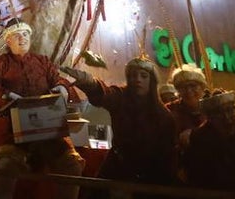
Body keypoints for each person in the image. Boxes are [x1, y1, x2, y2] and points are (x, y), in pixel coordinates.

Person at [0, 20, 83, 199]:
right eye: (16, 35)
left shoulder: (43, 61)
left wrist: (62, 87)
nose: (22, 38)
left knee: (72, 164)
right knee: (6, 169)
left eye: (25, 34)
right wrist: (6, 95)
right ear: (8, 41)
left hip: (49, 132)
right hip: (16, 133)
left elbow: (58, 79)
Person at [60, 54, 177, 196]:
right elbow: (106, 94)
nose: (137, 79)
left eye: (143, 75)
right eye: (133, 75)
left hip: (149, 176)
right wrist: (90, 82)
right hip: (116, 167)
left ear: (152, 81)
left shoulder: (164, 117)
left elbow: (166, 157)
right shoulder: (121, 97)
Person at [166, 64, 207, 142]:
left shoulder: (213, 108)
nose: (188, 91)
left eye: (193, 86)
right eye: (183, 87)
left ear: (202, 87)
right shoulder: (170, 110)